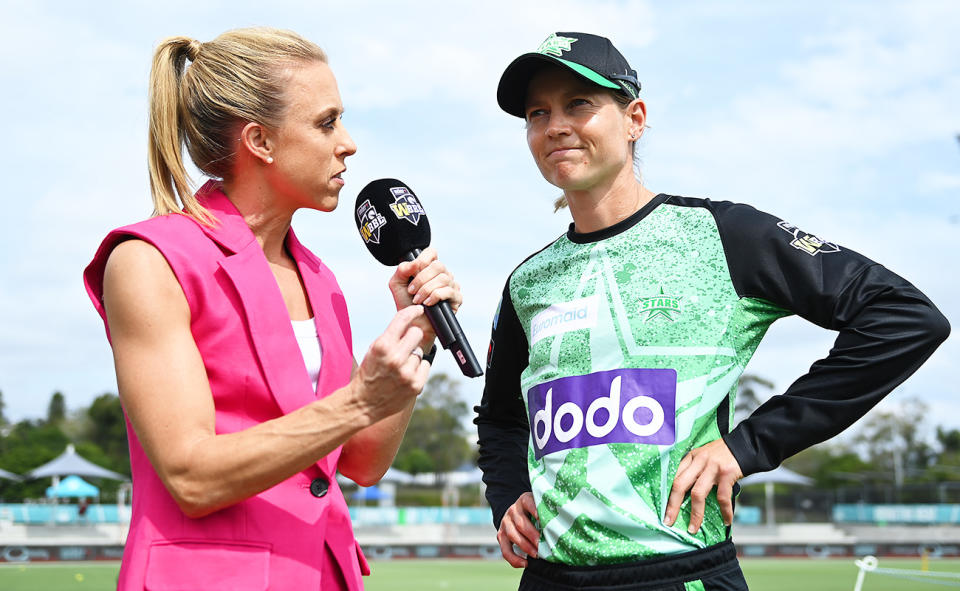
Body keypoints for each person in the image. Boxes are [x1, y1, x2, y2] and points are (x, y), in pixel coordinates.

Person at [475, 31, 950, 591]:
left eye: (579, 103)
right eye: (537, 112)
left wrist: (751, 444)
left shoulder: (723, 236)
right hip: (549, 578)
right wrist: (507, 494)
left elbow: (904, 317)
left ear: (634, 118)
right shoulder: (528, 280)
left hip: (681, 574)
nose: (555, 126)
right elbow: (503, 418)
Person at [83, 28, 460, 591]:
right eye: (327, 122)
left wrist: (416, 336)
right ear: (259, 141)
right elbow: (190, 475)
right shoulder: (150, 261)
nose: (349, 143)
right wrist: (359, 400)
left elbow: (360, 463)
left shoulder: (322, 281)